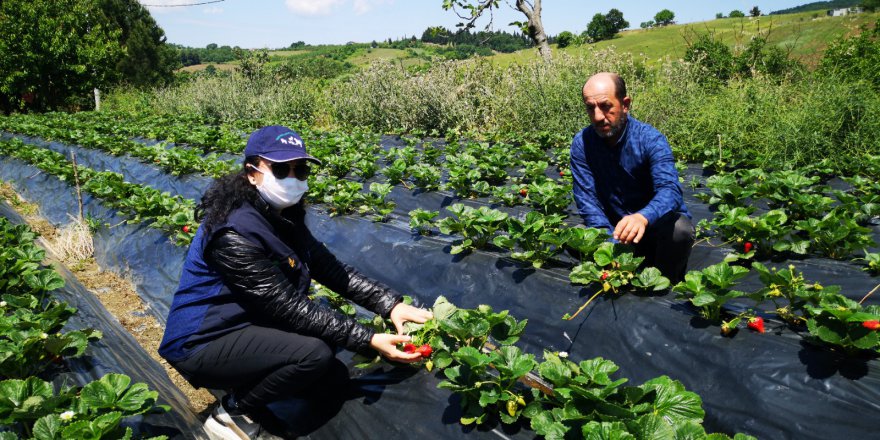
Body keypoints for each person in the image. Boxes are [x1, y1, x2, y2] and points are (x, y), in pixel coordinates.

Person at [158, 125, 432, 439]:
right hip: (202, 341)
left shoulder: (281, 216)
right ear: (252, 173)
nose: (292, 178)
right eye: (280, 169)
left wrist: (391, 305)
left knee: (330, 356)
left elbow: (330, 268)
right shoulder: (233, 232)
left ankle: (257, 379)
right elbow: (287, 307)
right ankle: (232, 412)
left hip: (243, 321)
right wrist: (369, 339)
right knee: (313, 354)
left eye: (299, 170)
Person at [569, 72, 695, 283]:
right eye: (590, 108)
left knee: (680, 230)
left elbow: (670, 191)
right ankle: (622, 271)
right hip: (617, 231)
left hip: (654, 228)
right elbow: (587, 200)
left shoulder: (650, 139)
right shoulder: (582, 143)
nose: (598, 116)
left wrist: (642, 217)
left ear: (625, 104)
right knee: (575, 237)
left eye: (605, 106)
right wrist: (611, 245)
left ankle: (663, 286)